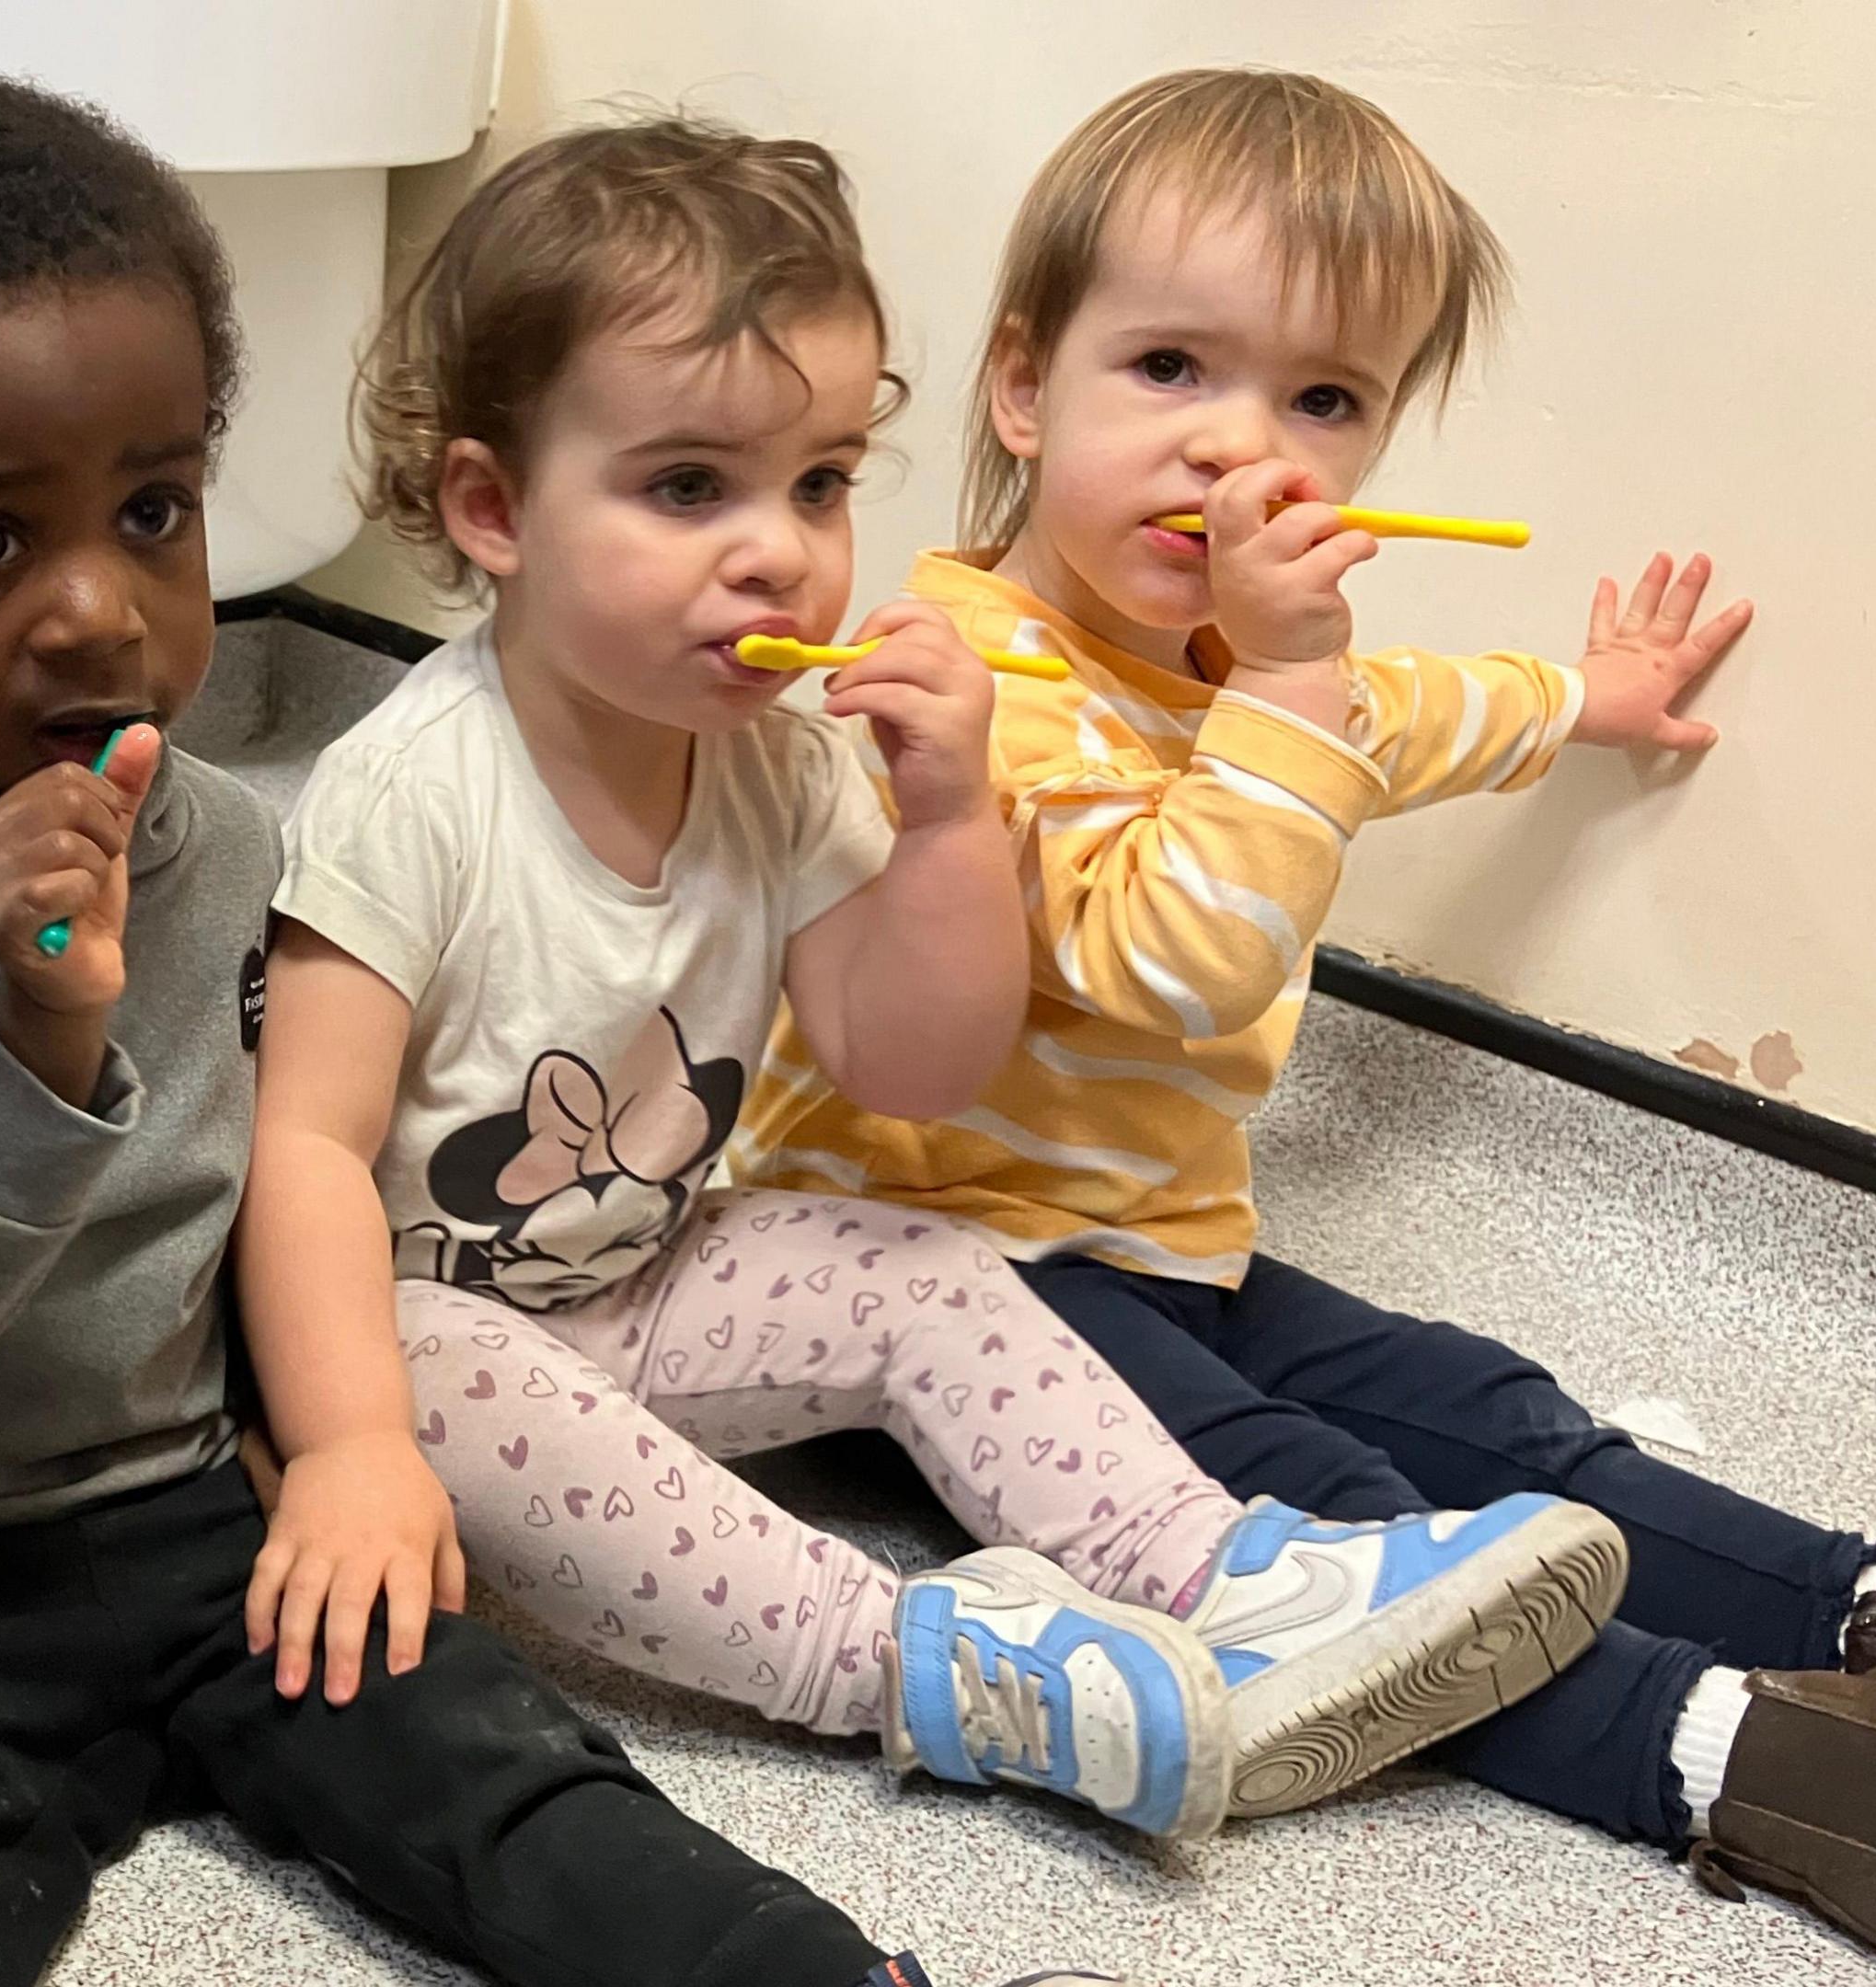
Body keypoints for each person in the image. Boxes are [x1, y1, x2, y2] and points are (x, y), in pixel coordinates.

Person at [0, 72, 1099, 1987]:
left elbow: (265, 1186)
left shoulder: (232, 842)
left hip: (197, 1516)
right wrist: (31, 1039)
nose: (100, 609)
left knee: (501, 1771)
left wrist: (329, 1447)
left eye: (153, 512)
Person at [246, 112, 1617, 1852]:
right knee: (438, 1359)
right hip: (393, 1325)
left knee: (924, 1256)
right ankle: (925, 1669)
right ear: (493, 508)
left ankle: (1215, 1573)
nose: (780, 551)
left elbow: (917, 1060)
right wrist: (351, 1444)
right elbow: (302, 1153)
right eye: (690, 488)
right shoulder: (410, 788)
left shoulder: (782, 763)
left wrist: (954, 812)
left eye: (818, 484)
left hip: (641, 1276)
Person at [734, 66, 1876, 1964]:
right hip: (940, 1274)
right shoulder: (965, 684)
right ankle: (1732, 1761)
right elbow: (1168, 953)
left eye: (1325, 401)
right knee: (1339, 1522)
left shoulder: (1245, 665)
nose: (1243, 453)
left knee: (1500, 1419)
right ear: (1027, 388)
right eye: (1175, 370)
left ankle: (1858, 1608)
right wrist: (1295, 682)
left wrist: (1593, 696)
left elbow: (1420, 714)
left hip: (1155, 1243)